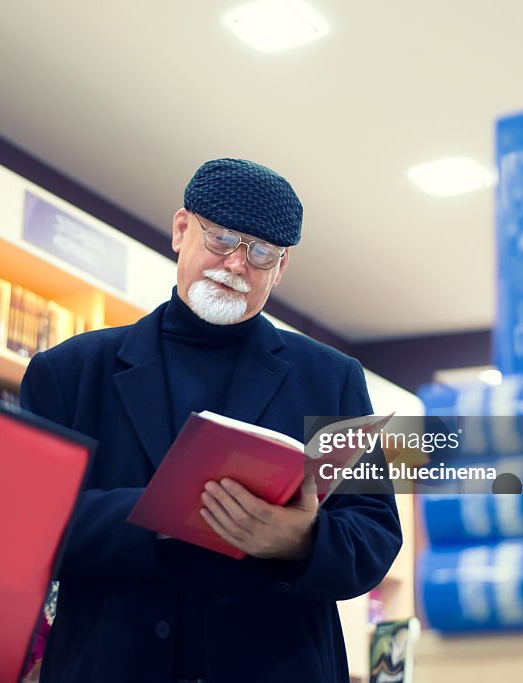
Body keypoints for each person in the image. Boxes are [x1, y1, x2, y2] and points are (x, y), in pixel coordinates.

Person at [20, 158, 403, 683]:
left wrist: (301, 540)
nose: (238, 264)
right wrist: (165, 515)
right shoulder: (69, 372)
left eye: (262, 252)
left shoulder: (332, 379)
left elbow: (375, 537)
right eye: (221, 239)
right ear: (182, 230)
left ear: (281, 267)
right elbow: (24, 527)